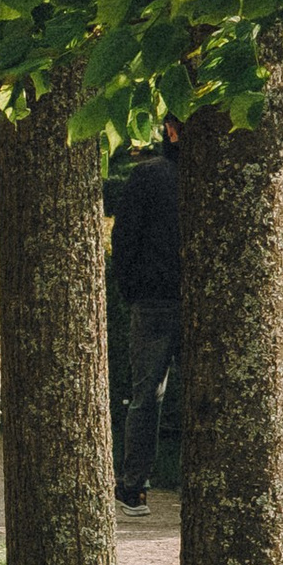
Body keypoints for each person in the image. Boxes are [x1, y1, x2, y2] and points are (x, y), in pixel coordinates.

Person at [109, 118, 181, 509]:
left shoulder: (148, 175)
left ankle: (134, 486)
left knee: (146, 396)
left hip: (152, 298)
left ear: (170, 130)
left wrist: (131, 289)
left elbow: (124, 238)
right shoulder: (215, 178)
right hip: (189, 297)